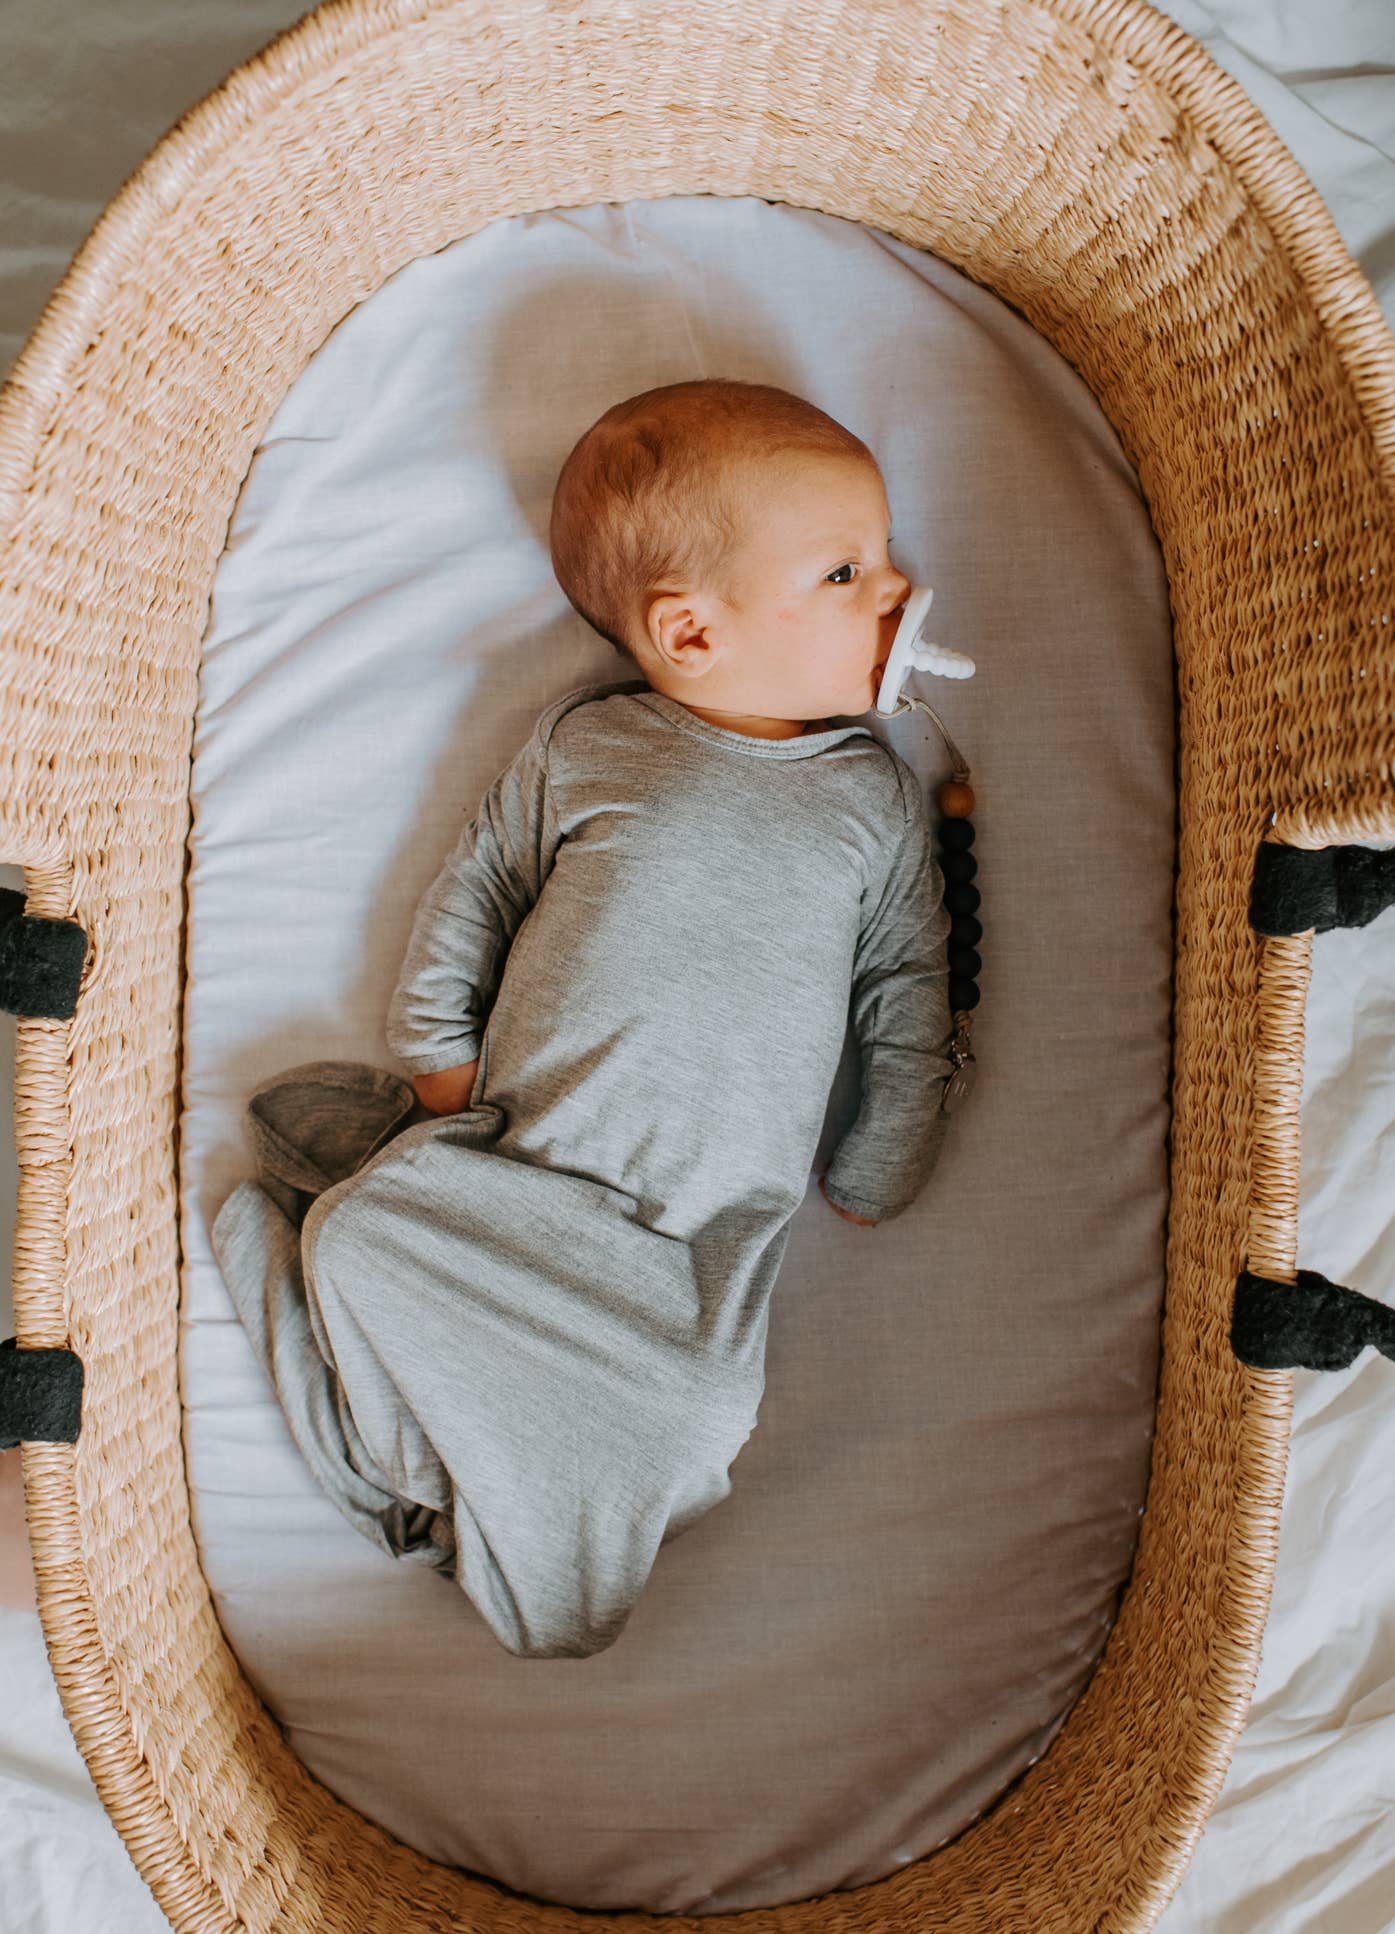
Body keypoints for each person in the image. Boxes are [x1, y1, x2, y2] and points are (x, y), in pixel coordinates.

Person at [210, 377, 955, 1660]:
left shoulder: (875, 803)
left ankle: (418, 1472)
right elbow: (479, 886)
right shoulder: (590, 748)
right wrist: (435, 1046)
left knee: (703, 1415)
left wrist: (887, 1151)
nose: (900, 587)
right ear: (690, 632)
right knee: (373, 1234)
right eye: (846, 571)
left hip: (697, 1248)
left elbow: (909, 989)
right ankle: (387, 1363)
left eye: (881, 559)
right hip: (528, 1177)